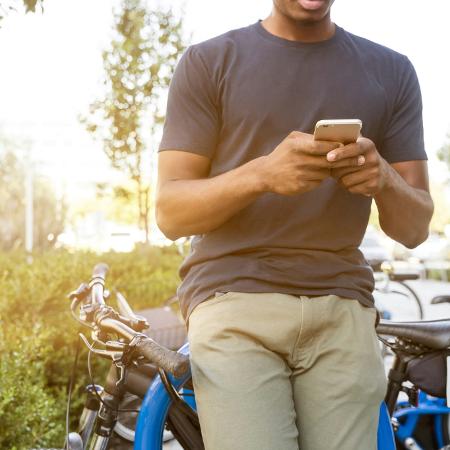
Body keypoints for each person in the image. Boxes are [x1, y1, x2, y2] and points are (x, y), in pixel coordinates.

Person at [155, 0, 434, 449]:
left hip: (342, 307)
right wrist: (262, 175)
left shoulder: (392, 70)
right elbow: (170, 213)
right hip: (234, 301)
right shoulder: (209, 62)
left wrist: (382, 178)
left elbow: (415, 228)